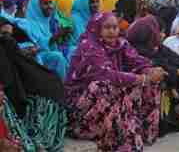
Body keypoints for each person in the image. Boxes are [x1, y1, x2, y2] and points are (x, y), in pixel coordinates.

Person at [65, 12, 167, 151]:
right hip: (82, 108)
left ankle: (141, 132)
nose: (112, 31)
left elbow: (136, 61)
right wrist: (143, 78)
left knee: (150, 82)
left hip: (107, 100)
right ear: (97, 28)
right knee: (105, 85)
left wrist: (150, 70)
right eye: (106, 27)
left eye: (115, 27)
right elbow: (106, 74)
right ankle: (109, 133)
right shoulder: (89, 46)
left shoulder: (121, 44)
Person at [127, 15, 179, 129]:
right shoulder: (135, 51)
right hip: (150, 86)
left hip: (170, 77)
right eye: (160, 31)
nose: (163, 35)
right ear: (149, 33)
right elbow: (158, 66)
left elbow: (175, 58)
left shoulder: (156, 47)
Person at [0, 19, 67, 151]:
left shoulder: (8, 25)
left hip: (18, 77)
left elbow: (22, 43)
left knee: (50, 81)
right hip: (12, 83)